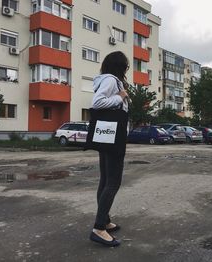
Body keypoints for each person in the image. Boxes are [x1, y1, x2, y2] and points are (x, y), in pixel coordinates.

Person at [89, 51, 129, 247]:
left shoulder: (108, 80)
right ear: (120, 67)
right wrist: (120, 97)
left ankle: (104, 220)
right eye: (126, 67)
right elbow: (97, 103)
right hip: (113, 136)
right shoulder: (112, 81)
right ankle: (99, 228)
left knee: (105, 180)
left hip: (107, 134)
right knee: (113, 182)